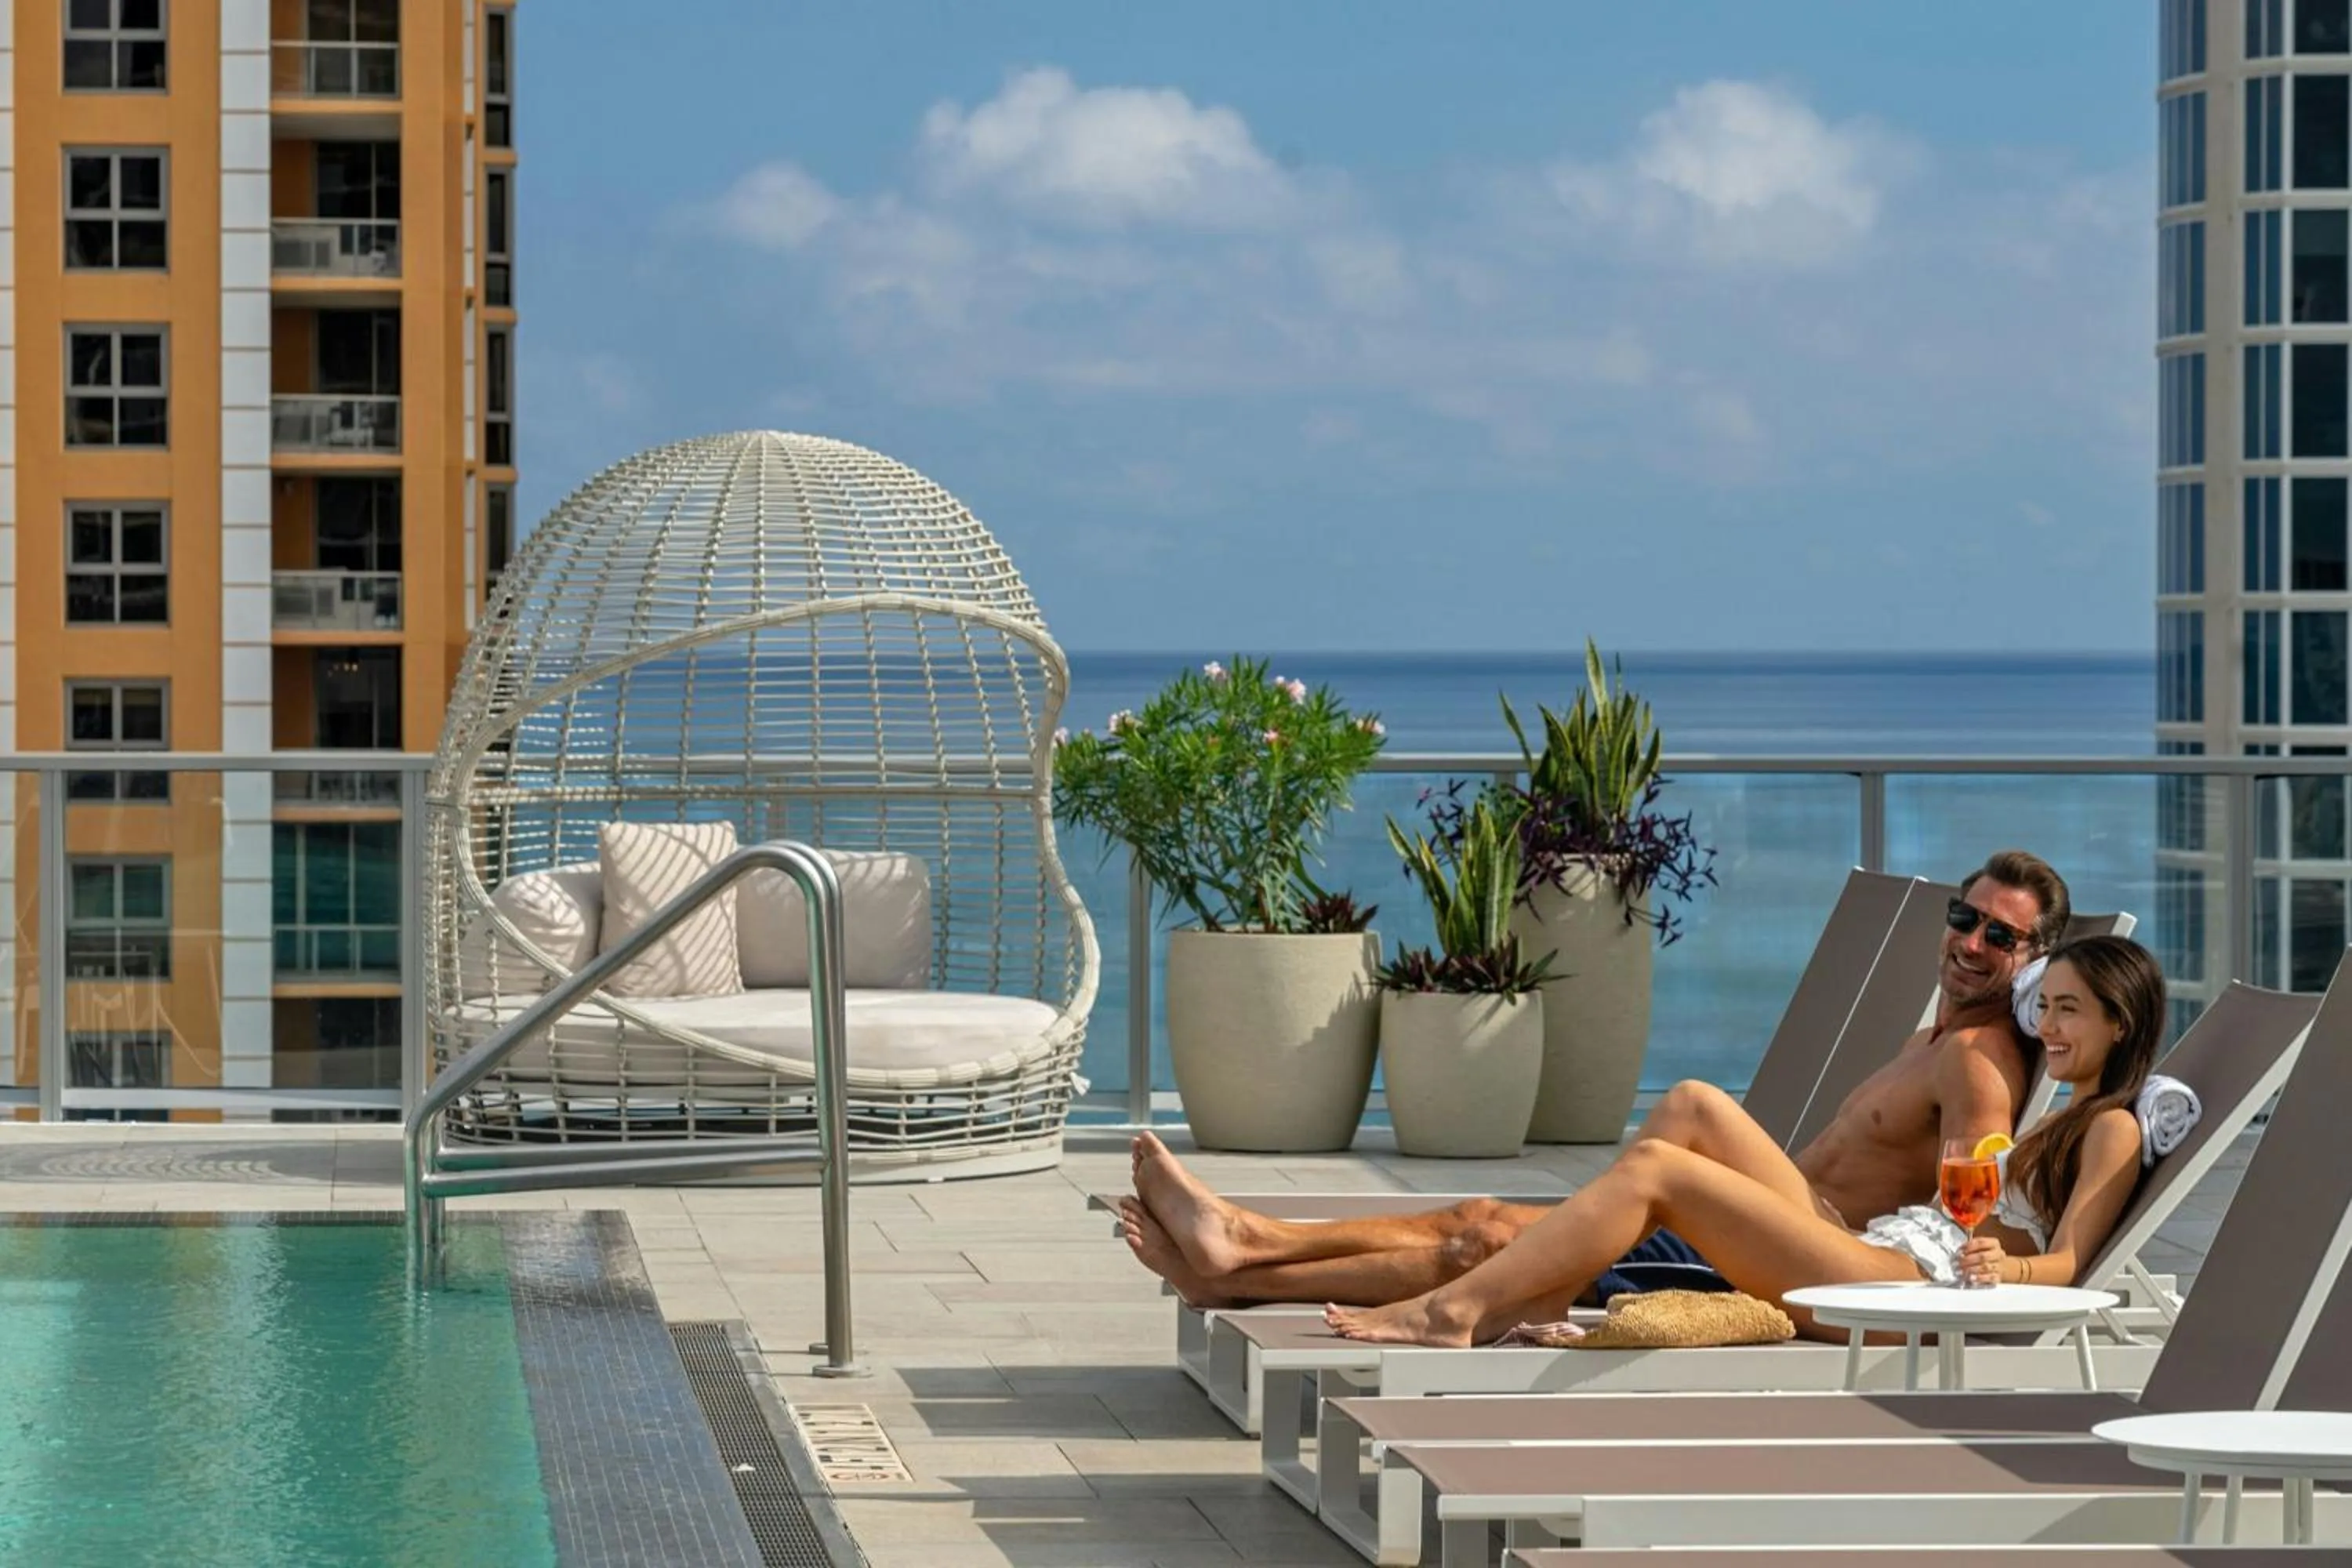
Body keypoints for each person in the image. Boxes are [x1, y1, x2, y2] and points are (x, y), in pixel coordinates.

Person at [1119, 849, 2069, 1311]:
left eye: (2001, 935)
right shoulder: (1935, 1032)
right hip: (1780, 1221)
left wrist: (2018, 1256)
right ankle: (1246, 1246)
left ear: (2034, 959)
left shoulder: (1978, 1062)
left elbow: (1962, 1223)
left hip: (1801, 1256)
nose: (1972, 941)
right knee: (1498, 1210)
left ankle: (1243, 1262)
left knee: (1482, 1238)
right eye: (1964, 916)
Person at [1321, 934, 2161, 1345]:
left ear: (2119, 1023)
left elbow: (2073, 1259)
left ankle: (1452, 1309)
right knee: (1693, 1103)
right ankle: (1549, 1283)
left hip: (1910, 1285)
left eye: (2068, 1009)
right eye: (2043, 1005)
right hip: (1877, 1247)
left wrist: (2006, 1266)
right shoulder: (2062, 1111)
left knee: (1659, 1168)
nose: (2046, 1023)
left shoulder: (2112, 1126)